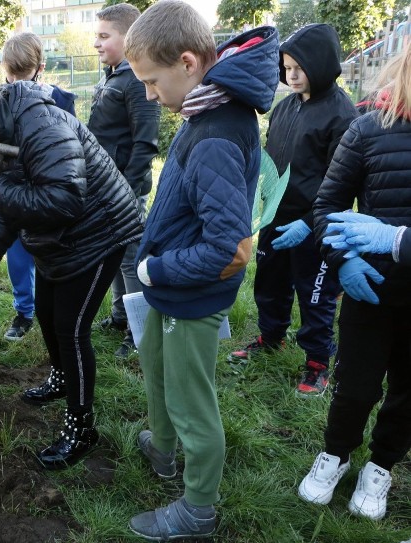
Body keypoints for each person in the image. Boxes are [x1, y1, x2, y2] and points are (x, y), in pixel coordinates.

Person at [123, 1, 279, 539]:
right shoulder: (204, 111)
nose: (149, 94)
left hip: (189, 294)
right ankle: (162, 448)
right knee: (160, 371)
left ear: (188, 62)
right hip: (172, 291)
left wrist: (158, 270)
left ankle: (198, 509)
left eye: (151, 81)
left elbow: (223, 248)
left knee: (192, 400)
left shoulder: (215, 132)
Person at [0, 75, 143, 470]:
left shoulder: (41, 125)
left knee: (71, 328)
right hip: (59, 239)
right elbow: (8, 213)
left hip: (101, 232)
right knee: (45, 312)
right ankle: (62, 378)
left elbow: (63, 199)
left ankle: (82, 429)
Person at [301, 43, 411, 521]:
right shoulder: (368, 129)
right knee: (355, 385)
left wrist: (397, 238)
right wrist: (343, 258)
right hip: (373, 289)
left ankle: (381, 465)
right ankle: (336, 454)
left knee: (408, 391)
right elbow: (327, 206)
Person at [228, 23, 357, 399]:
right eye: (286, 66)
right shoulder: (283, 108)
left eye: (299, 66)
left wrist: (308, 222)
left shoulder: (341, 113)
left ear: (321, 64)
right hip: (274, 216)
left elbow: (341, 181)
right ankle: (271, 337)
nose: (292, 74)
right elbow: (270, 160)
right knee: (269, 282)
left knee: (315, 294)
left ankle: (318, 362)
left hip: (313, 224)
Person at [0, 31, 76, 342]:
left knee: (47, 253)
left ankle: (48, 313)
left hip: (48, 192)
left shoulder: (62, 100)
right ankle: (25, 311)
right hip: (17, 192)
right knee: (18, 255)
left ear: (40, 67)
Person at [88, 3, 161, 358]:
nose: (97, 43)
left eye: (104, 36)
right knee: (115, 256)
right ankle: (120, 316)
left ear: (127, 37)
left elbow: (146, 143)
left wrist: (127, 191)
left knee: (131, 259)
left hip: (126, 191)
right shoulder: (113, 75)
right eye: (97, 36)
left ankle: (140, 332)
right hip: (104, 188)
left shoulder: (136, 79)